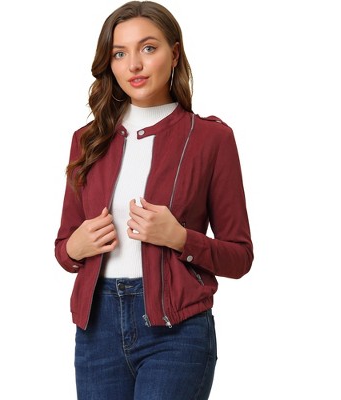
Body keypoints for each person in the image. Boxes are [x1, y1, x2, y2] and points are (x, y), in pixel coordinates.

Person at [54, 1, 253, 399]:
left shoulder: (211, 139)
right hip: (96, 329)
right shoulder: (87, 140)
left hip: (177, 331)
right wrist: (75, 248)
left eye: (148, 48)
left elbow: (240, 256)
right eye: (119, 53)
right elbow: (64, 248)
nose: (134, 65)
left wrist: (180, 238)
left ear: (174, 53)